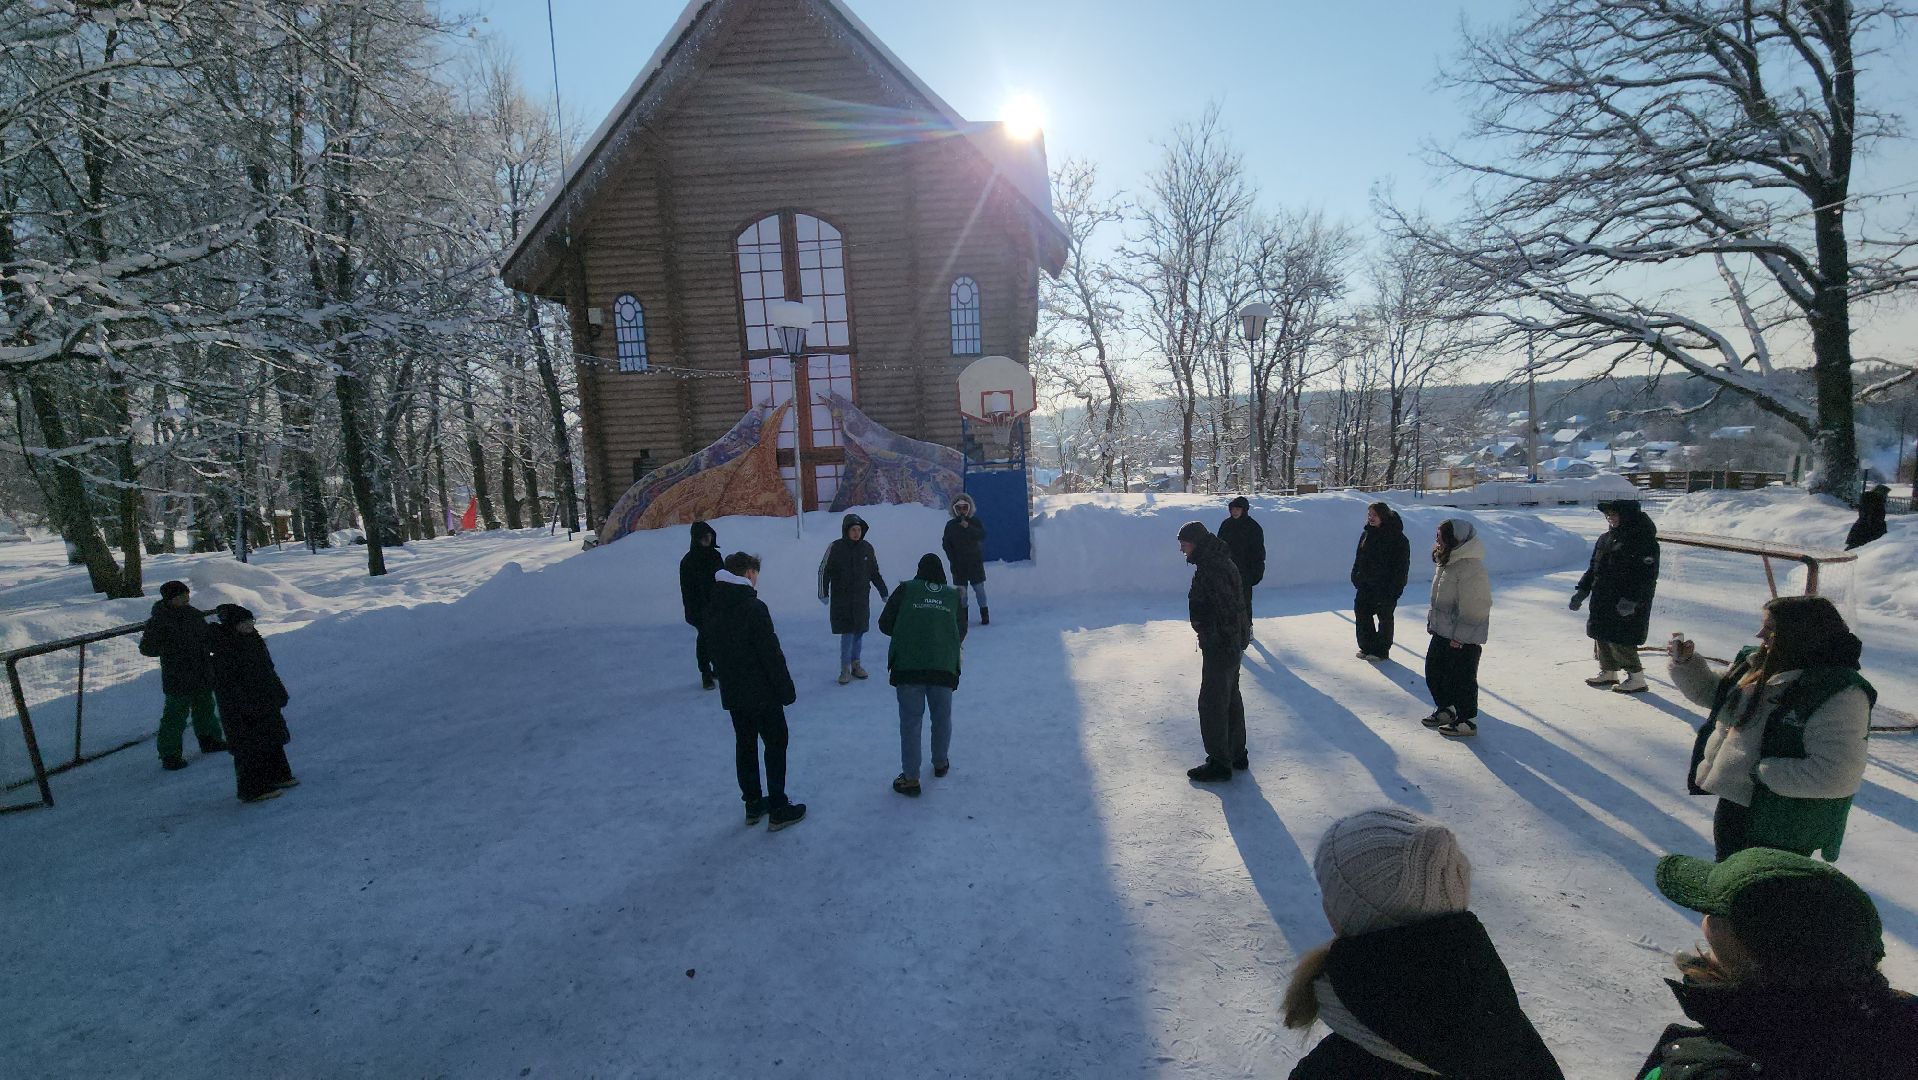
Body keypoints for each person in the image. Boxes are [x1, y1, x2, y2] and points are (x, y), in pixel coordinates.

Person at [1282, 808, 1564, 1079]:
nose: (1323, 902)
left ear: (1355, 919)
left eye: (1330, 894)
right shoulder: (1501, 1026)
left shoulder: (1333, 1070)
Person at [1636, 848, 1918, 1078]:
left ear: (1754, 970)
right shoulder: (1904, 1025)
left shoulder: (1704, 1070)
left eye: (1714, 948)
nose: (1704, 920)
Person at [1668, 595, 1873, 861]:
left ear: (1799, 633)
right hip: (1737, 803)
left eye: (1770, 628)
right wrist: (1686, 664)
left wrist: (1760, 773)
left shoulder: (1839, 693)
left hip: (1782, 818)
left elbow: (1838, 774)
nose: (1759, 634)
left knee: (1766, 894)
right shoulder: (1762, 663)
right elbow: (1717, 696)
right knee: (1730, 881)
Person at [705, 552, 806, 831]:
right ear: (748, 574)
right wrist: (786, 691)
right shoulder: (753, 607)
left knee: (746, 745)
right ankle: (778, 807)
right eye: (755, 573)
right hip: (763, 692)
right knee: (776, 744)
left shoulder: (714, 604)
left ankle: (752, 804)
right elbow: (771, 654)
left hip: (735, 692)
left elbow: (709, 647)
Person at [878, 553, 967, 797]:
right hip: (943, 667)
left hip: (908, 666)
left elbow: (884, 624)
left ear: (918, 571)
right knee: (941, 718)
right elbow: (961, 630)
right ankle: (940, 763)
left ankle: (911, 778)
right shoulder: (952, 596)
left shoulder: (905, 590)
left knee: (910, 722)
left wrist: (910, 630)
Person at [1177, 521, 1250, 782]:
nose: (1182, 550)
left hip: (1222, 644)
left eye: (1184, 544)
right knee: (1229, 697)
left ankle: (1220, 763)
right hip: (1229, 641)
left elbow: (1225, 608)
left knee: (1212, 702)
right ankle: (1236, 752)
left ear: (1196, 542)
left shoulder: (1213, 568)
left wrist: (1210, 634)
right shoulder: (1216, 562)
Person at [206, 604, 296, 803]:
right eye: (243, 623)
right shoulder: (224, 647)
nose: (248, 625)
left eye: (250, 621)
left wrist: (278, 691)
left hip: (263, 698)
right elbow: (228, 682)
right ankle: (252, 788)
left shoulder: (253, 639)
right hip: (241, 707)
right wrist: (244, 704)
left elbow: (268, 669)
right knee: (249, 745)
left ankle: (279, 775)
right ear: (232, 625)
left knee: (272, 736)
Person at [1572, 499, 1661, 693]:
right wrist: (1582, 590)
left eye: (1614, 515)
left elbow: (1646, 575)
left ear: (1627, 516)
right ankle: (1609, 671)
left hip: (1627, 599)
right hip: (1603, 596)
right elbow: (1594, 567)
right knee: (1601, 633)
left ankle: (1636, 677)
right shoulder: (1606, 538)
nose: (1610, 519)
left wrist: (1632, 600)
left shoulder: (1643, 540)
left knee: (1622, 637)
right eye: (1608, 515)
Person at [137, 579, 226, 770]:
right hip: (177, 674)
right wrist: (167, 647)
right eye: (180, 595)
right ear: (170, 599)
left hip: (201, 670)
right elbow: (147, 648)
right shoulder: (158, 621)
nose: (185, 597)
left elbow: (206, 637)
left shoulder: (193, 614)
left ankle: (210, 739)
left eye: (186, 594)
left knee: (205, 707)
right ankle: (169, 754)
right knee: (175, 716)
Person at [1423, 519, 1490, 739]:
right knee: (1434, 671)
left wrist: (1461, 637)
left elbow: (1476, 605)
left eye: (1440, 535)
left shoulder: (1470, 566)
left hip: (1462, 636)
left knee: (1461, 678)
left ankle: (1466, 721)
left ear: (1455, 539)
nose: (1436, 539)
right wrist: (1433, 622)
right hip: (1443, 630)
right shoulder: (1448, 561)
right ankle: (1446, 709)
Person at [817, 512, 890, 685]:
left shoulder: (867, 548)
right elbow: (823, 570)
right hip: (842, 601)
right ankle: (845, 668)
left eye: (859, 529)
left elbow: (874, 573)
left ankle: (856, 664)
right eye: (853, 530)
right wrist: (823, 592)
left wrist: (883, 591)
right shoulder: (835, 547)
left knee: (859, 633)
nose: (856, 533)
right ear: (846, 531)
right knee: (847, 634)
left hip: (861, 600)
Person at [1349, 502, 1410, 662]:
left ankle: (1381, 650)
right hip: (1365, 585)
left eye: (1374, 515)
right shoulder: (1367, 534)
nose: (1371, 518)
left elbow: (1401, 567)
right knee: (1362, 614)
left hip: (1386, 587)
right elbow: (1359, 557)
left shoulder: (1398, 538)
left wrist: (1395, 589)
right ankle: (1366, 646)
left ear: (1383, 516)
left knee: (1385, 617)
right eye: (1369, 514)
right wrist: (1355, 575)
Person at [678, 521, 724, 690]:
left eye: (709, 536)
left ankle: (718, 668)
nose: (707, 540)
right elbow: (687, 590)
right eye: (703, 537)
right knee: (705, 639)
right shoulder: (688, 562)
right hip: (699, 609)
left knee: (718, 639)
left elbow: (722, 580)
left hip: (716, 607)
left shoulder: (715, 557)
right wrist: (694, 611)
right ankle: (706, 673)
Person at [942, 494, 989, 627]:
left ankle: (984, 614)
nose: (962, 511)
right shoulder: (950, 525)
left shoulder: (975, 522)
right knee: (961, 594)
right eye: (959, 508)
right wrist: (952, 559)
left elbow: (982, 535)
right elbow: (946, 544)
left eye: (964, 507)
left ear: (969, 508)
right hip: (958, 566)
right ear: (954, 509)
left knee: (980, 590)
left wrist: (968, 527)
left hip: (975, 564)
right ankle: (963, 619)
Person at [1218, 495, 1266, 622]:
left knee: (1244, 601)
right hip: (1227, 570)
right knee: (1227, 601)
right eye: (1232, 509)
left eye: (1237, 509)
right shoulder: (1226, 525)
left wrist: (1256, 572)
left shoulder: (1253, 527)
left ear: (1244, 510)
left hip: (1245, 572)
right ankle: (1229, 629)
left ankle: (1247, 627)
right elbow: (1219, 547)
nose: (1234, 512)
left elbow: (1258, 552)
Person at [1845, 484, 1890, 550]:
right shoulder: (1874, 502)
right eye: (1885, 494)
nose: (1886, 496)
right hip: (1865, 532)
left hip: (1863, 531)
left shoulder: (1872, 501)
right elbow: (1870, 518)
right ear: (1880, 493)